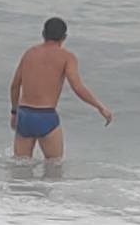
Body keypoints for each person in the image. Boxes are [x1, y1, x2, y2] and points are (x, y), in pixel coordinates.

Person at [9, 17, 111, 162]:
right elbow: (77, 87)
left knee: (20, 169)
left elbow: (14, 85)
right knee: (54, 169)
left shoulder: (29, 53)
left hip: (25, 115)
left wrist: (14, 112)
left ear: (43, 33)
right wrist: (100, 107)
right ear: (64, 37)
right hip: (46, 116)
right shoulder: (67, 57)